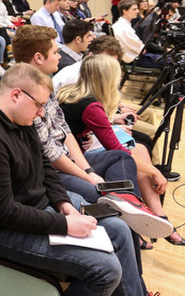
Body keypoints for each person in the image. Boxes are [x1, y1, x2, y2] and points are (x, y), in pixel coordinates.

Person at [0, 63, 148, 295]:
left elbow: (45, 166)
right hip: (1, 232)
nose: (41, 112)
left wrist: (63, 203)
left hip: (37, 210)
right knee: (106, 271)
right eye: (38, 104)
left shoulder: (19, 118)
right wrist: (65, 224)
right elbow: (3, 212)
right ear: (16, 94)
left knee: (119, 227)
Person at [57, 55, 179, 242]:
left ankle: (154, 217)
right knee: (126, 158)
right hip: (71, 161)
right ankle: (140, 221)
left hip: (70, 155)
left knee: (138, 151)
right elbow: (115, 148)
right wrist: (155, 171)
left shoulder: (71, 92)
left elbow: (71, 129)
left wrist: (88, 133)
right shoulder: (91, 106)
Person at [113, 0, 163, 68]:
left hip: (134, 57)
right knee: (171, 61)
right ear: (125, 11)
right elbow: (142, 50)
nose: (137, 11)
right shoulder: (124, 28)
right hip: (134, 59)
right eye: (134, 9)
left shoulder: (122, 25)